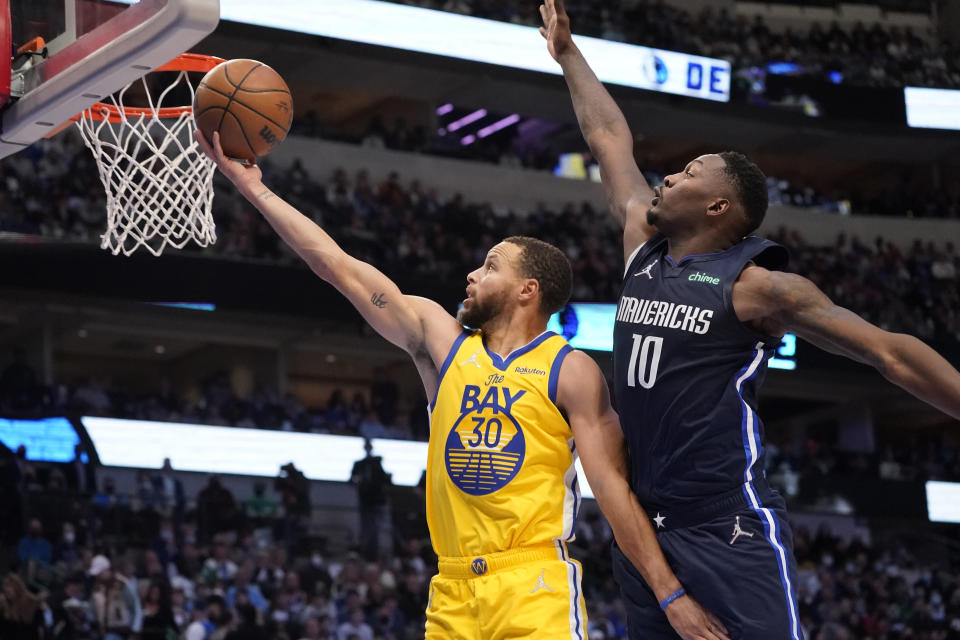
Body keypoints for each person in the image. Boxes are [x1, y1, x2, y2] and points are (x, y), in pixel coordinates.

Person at [196, 130, 724, 639]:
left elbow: (611, 492)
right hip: (450, 589)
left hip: (532, 583)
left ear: (527, 290)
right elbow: (338, 267)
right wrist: (254, 188)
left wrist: (670, 594)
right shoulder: (441, 340)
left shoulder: (571, 370)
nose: (472, 274)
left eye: (490, 266)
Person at [540, 1, 960, 638]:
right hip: (643, 523)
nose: (669, 175)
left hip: (725, 523)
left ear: (716, 206)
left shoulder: (757, 285)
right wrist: (570, 56)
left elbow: (888, 352)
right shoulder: (641, 247)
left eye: (688, 172)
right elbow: (609, 140)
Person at [349, 439, 391, 560]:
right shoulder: (359, 465)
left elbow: (385, 480)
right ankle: (366, 552)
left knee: (376, 528)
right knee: (366, 528)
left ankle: (375, 552)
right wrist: (358, 481)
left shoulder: (377, 464)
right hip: (365, 500)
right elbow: (351, 480)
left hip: (377, 501)